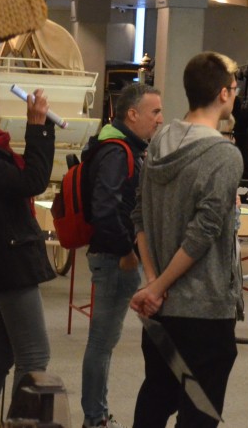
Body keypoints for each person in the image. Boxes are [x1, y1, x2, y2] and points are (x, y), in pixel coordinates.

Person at [130, 52, 244, 428]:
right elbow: (203, 235)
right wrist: (158, 286)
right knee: (199, 411)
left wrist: (152, 283)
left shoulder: (159, 141)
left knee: (156, 397)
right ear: (224, 93)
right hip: (203, 310)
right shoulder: (224, 156)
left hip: (161, 309)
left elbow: (140, 215)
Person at [81, 82, 164, 428]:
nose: (160, 120)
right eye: (154, 112)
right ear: (132, 114)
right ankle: (95, 418)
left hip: (115, 256)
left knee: (105, 339)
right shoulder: (118, 152)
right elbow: (106, 209)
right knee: (102, 340)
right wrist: (126, 251)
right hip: (116, 259)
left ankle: (96, 414)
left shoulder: (116, 146)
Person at [0, 80, 54, 420]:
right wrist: (36, 128)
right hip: (7, 263)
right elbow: (31, 181)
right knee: (34, 357)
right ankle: (21, 424)